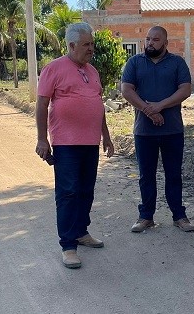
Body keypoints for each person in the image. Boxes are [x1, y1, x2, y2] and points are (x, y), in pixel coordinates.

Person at [35, 22, 115, 269]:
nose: (91, 48)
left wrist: (107, 137)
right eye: (86, 44)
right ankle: (68, 245)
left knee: (86, 191)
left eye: (92, 44)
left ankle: (81, 232)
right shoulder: (54, 69)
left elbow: (98, 105)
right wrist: (41, 139)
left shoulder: (92, 71)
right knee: (68, 193)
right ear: (71, 45)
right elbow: (41, 105)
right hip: (66, 143)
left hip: (90, 142)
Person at [121, 26, 194, 234]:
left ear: (165, 43)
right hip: (144, 131)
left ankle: (179, 215)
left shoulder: (177, 63)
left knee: (173, 175)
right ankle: (146, 216)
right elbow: (127, 90)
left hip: (172, 130)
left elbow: (185, 89)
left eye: (155, 39)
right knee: (146, 175)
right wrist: (148, 110)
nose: (150, 43)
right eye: (147, 39)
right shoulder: (134, 62)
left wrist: (160, 106)